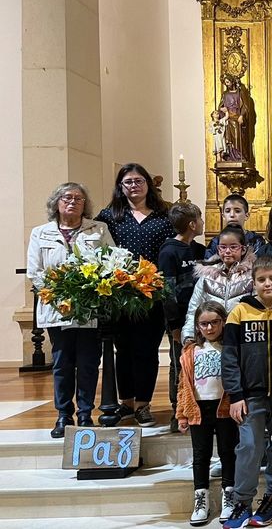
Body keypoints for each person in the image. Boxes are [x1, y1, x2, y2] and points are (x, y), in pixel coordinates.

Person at [27, 183, 114, 437]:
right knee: (62, 363)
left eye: (78, 198)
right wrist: (63, 292)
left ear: (85, 204)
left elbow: (111, 261)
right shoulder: (40, 233)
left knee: (88, 362)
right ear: (57, 203)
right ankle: (63, 415)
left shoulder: (98, 229)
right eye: (67, 198)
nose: (73, 202)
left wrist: (87, 289)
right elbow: (35, 272)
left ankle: (85, 414)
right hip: (57, 308)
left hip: (89, 308)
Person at [95, 163, 176, 427]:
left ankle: (143, 404)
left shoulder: (164, 216)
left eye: (138, 181)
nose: (133, 186)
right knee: (123, 350)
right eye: (128, 182)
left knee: (146, 350)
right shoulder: (109, 216)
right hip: (120, 293)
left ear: (148, 184)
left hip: (152, 293)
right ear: (121, 187)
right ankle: (126, 403)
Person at [220, 255, 272, 529]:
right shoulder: (240, 312)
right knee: (249, 447)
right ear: (253, 283)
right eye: (261, 279)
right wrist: (235, 395)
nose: (267, 284)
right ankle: (242, 501)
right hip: (249, 395)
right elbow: (229, 357)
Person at [175, 302, 239, 526]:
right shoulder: (190, 351)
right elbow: (183, 386)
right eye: (204, 324)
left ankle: (229, 496)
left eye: (214, 322)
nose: (209, 328)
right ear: (197, 326)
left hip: (225, 408)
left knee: (227, 452)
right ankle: (200, 499)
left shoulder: (231, 347)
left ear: (223, 322)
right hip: (198, 409)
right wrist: (181, 414)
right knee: (200, 455)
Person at [159, 202, 207, 432]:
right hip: (181, 319)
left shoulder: (199, 250)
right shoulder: (169, 252)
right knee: (179, 363)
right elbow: (167, 291)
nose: (203, 222)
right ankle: (178, 410)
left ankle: (200, 407)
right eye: (200, 218)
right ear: (192, 224)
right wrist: (175, 325)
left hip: (203, 317)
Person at [181, 226, 254, 345]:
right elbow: (193, 310)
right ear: (218, 249)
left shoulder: (252, 276)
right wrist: (188, 337)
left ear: (243, 249)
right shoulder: (207, 276)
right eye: (223, 247)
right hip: (211, 339)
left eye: (233, 247)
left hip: (241, 339)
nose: (227, 251)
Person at [204, 194, 266, 260]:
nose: (232, 215)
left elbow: (261, 263)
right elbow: (208, 263)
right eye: (227, 211)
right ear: (223, 216)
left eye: (237, 211)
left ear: (246, 215)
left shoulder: (256, 240)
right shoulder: (216, 241)